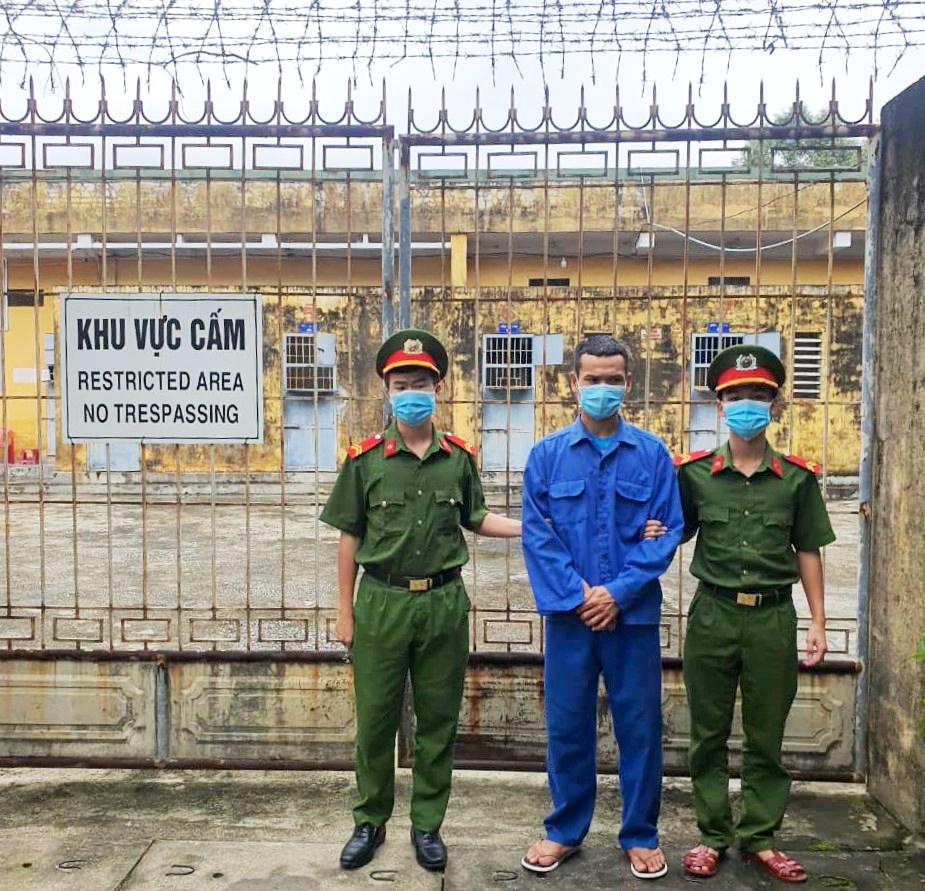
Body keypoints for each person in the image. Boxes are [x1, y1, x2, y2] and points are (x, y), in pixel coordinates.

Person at [320, 327, 522, 873]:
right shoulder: (364, 460)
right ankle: (370, 819)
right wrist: (344, 612)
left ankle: (427, 825)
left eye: (422, 383)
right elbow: (349, 537)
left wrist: (530, 527)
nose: (412, 392)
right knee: (375, 721)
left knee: (438, 721)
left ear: (438, 389)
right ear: (387, 391)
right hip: (381, 602)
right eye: (401, 384)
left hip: (442, 604)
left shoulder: (458, 457)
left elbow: (477, 517)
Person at [519, 334, 683, 881]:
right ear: (574, 382)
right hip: (570, 619)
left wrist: (617, 592)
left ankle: (640, 834)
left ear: (629, 383)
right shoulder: (546, 457)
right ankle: (565, 829)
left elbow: (668, 531)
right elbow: (538, 536)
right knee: (567, 725)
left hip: (631, 618)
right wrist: (580, 595)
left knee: (639, 727)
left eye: (613, 380)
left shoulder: (653, 455)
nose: (602, 388)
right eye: (592, 379)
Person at [675, 344, 835, 884]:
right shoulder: (695, 474)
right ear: (720, 405)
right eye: (736, 395)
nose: (747, 404)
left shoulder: (797, 479)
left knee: (766, 735)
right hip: (712, 615)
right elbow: (673, 531)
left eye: (758, 395)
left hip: (772, 619)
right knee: (708, 734)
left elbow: (808, 550)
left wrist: (817, 622)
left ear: (775, 404)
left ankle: (761, 838)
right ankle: (712, 835)